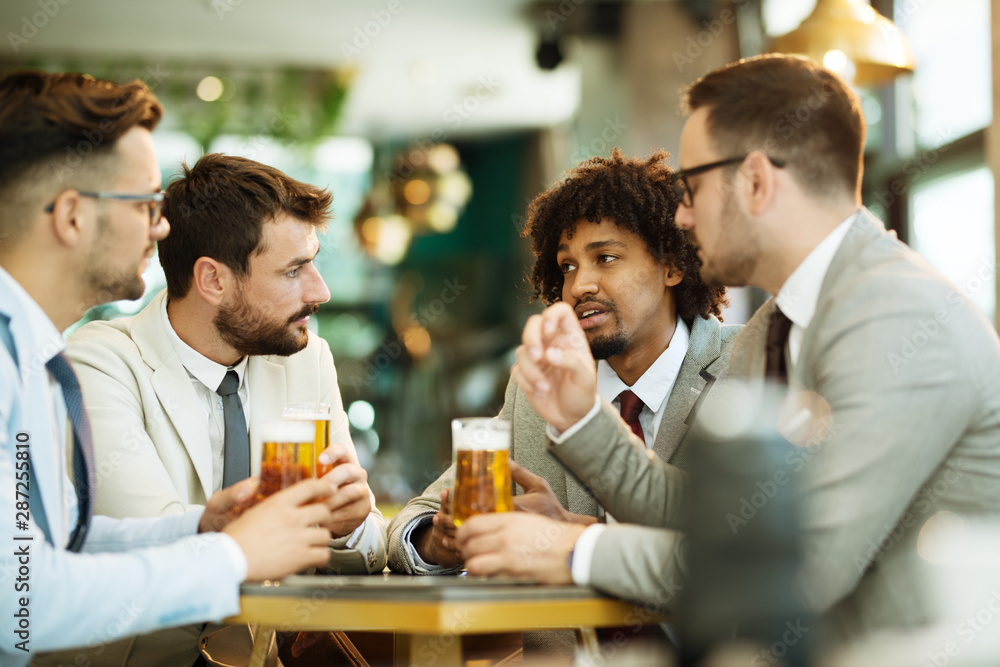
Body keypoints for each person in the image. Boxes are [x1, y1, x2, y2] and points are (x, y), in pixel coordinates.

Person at [457, 53, 1000, 645]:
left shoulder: (897, 311)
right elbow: (719, 518)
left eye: (691, 188)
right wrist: (581, 418)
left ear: (758, 181)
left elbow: (800, 565)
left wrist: (577, 550)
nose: (682, 217)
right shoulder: (771, 328)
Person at [0, 70, 339, 667]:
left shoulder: (32, 355)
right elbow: (23, 605)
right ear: (74, 216)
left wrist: (204, 525)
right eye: (144, 203)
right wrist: (232, 555)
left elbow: (54, 545)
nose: (161, 227)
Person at [44, 153, 387, 666]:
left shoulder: (305, 357)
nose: (321, 291)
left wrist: (351, 526)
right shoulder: (101, 362)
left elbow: (364, 551)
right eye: (294, 270)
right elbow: (152, 542)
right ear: (213, 281)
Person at [388, 149, 735, 578]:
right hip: (564, 648)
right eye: (567, 266)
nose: (579, 285)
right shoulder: (539, 388)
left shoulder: (743, 366)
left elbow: (741, 543)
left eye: (605, 257)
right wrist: (439, 542)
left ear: (673, 266)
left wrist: (574, 535)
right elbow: (413, 520)